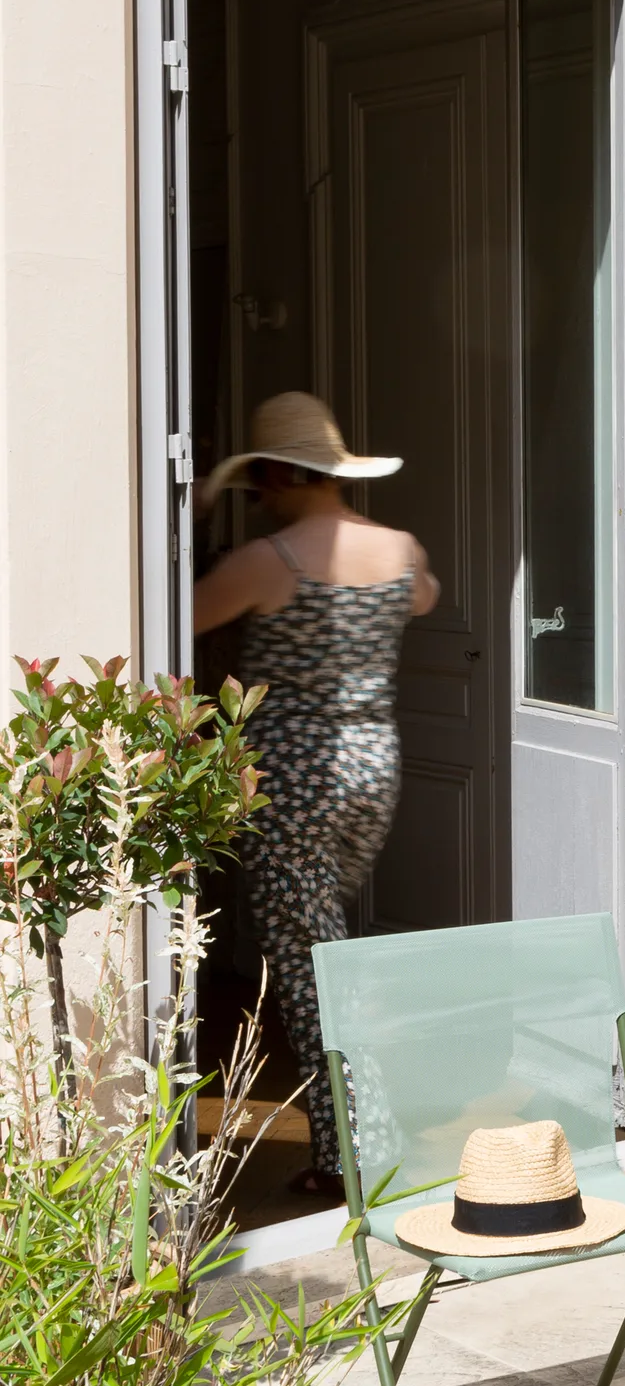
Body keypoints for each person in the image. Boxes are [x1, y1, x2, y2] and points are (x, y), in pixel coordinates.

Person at [195, 393, 439, 1200]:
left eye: (259, 479)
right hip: (373, 763)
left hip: (293, 778)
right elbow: (424, 596)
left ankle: (356, 1152)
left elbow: (169, 619)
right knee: (327, 951)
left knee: (308, 970)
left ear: (274, 473)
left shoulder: (271, 561)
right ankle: (368, 1128)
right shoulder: (400, 547)